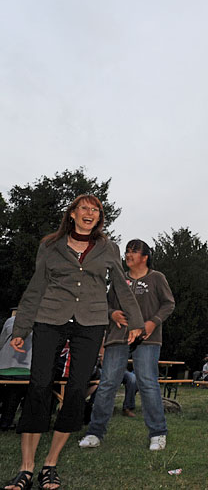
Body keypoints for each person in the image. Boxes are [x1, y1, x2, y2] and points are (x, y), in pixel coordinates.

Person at [4, 194, 144, 490]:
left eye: (95, 209)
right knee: (39, 386)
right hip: (50, 318)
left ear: (99, 217)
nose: (90, 212)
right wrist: (21, 328)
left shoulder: (108, 248)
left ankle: (50, 464)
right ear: (72, 213)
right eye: (84, 208)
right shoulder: (50, 245)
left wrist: (136, 321)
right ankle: (26, 468)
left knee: (78, 390)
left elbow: (121, 286)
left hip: (90, 323)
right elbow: (35, 288)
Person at [79, 239, 175, 452]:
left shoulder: (157, 278)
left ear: (145, 257)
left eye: (134, 251)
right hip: (118, 337)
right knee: (107, 383)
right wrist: (112, 313)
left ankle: (158, 433)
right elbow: (106, 303)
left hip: (147, 338)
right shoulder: (119, 278)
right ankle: (95, 432)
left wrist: (152, 322)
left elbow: (168, 304)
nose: (129, 255)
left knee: (148, 383)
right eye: (127, 251)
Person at [0, 310, 32, 431]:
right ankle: (9, 422)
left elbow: (1, 342)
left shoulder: (10, 321)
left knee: (11, 392)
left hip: (3, 368)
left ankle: (5, 421)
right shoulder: (41, 325)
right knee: (16, 393)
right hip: (26, 370)